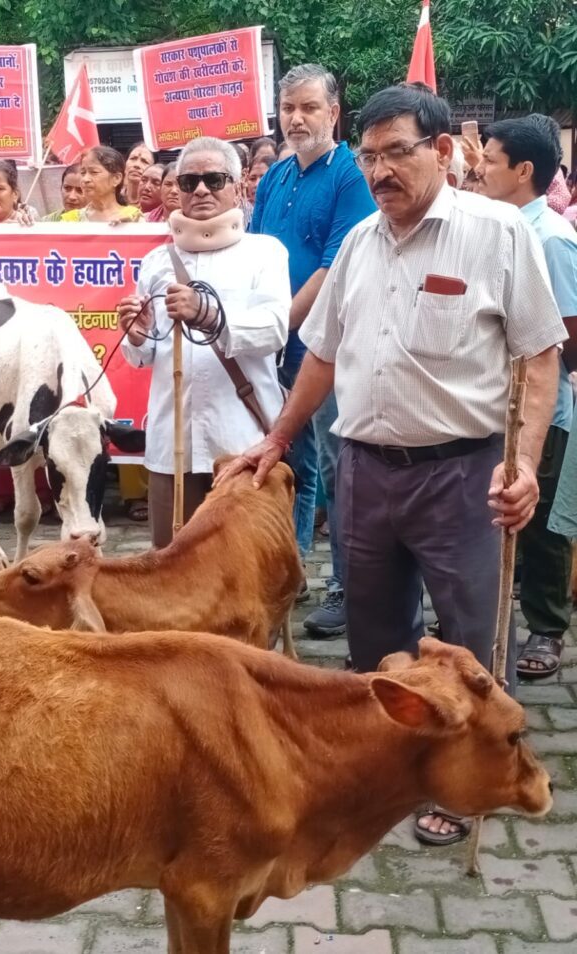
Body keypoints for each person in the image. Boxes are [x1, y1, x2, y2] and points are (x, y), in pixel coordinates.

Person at [219, 82, 565, 846]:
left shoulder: (497, 233)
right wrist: (278, 437)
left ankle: (468, 783)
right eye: (368, 158)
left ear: (442, 151)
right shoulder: (360, 245)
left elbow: (541, 355)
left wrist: (527, 464)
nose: (379, 172)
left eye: (395, 154)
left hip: (463, 475)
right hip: (364, 472)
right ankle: (389, 767)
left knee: (472, 641)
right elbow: (324, 355)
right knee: (376, 641)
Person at [249, 64, 376, 633]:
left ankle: (349, 588)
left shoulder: (351, 176)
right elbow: (252, 253)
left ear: (333, 113)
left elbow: (334, 266)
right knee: (287, 461)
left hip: (328, 350)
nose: (296, 119)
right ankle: (287, 571)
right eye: (288, 109)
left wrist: (279, 326)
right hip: (274, 347)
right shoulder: (276, 176)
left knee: (334, 467)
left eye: (308, 108)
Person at [118, 136, 290, 547]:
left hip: (241, 443)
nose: (200, 190)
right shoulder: (157, 261)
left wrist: (207, 313)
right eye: (189, 181)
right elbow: (144, 355)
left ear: (238, 183)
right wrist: (138, 334)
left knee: (245, 572)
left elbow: (273, 329)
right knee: (171, 572)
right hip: (171, 441)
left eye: (214, 179)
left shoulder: (264, 253)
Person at [476, 114, 577, 679]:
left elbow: (568, 333)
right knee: (500, 513)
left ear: (524, 171)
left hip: (545, 407)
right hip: (494, 402)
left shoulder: (553, 239)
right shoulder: (493, 227)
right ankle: (493, 616)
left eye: (490, 159)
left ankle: (546, 624)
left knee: (539, 524)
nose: (479, 166)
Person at [62, 147, 141, 223]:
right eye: (83, 173)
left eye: (94, 172)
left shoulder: (133, 217)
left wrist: (128, 228)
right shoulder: (71, 221)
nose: (85, 179)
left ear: (116, 178)